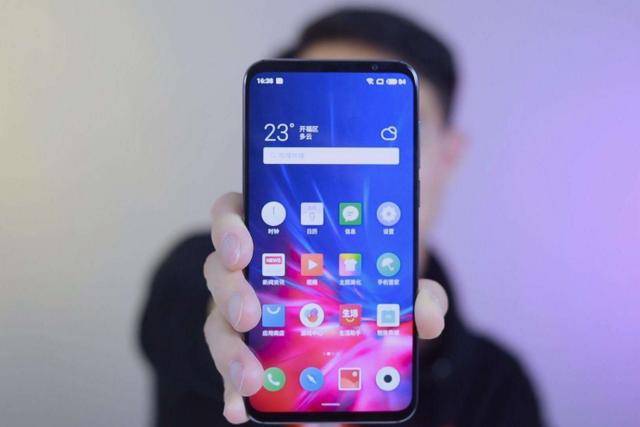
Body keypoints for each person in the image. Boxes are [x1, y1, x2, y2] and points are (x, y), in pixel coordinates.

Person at [139, 8, 544, 427]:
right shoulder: (192, 275)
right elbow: (174, 316)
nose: (346, 168)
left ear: (448, 155)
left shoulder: (499, 387)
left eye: (383, 123)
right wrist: (225, 317)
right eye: (316, 120)